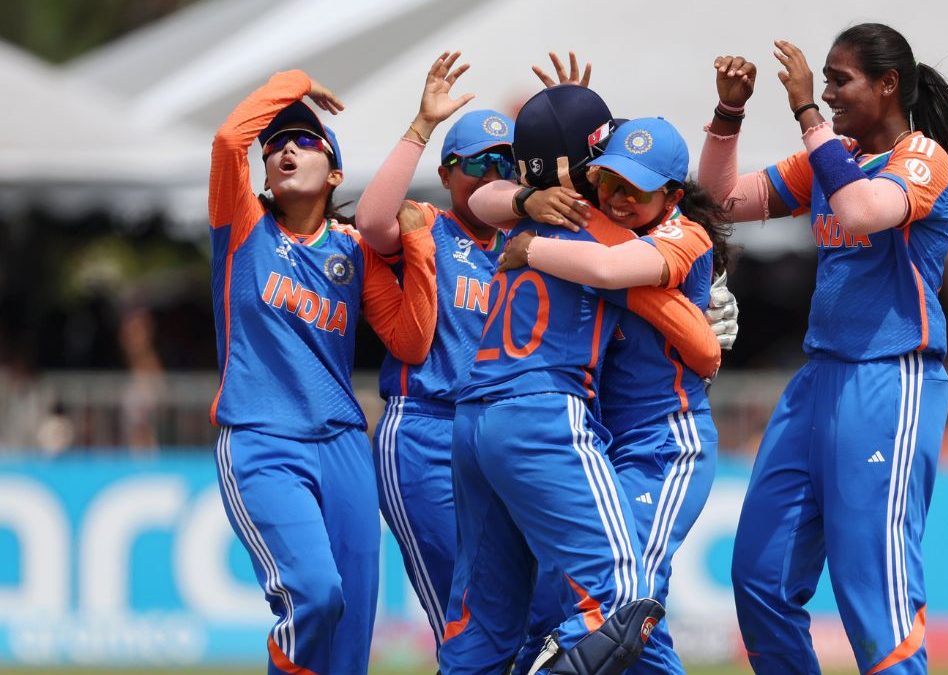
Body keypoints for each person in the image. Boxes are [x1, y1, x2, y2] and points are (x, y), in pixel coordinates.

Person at [698, 24, 948, 674]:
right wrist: (729, 113)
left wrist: (804, 114)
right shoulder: (832, 155)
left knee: (871, 586)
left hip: (890, 379)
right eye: (822, 82)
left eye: (838, 80)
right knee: (759, 577)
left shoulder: (923, 156)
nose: (826, 93)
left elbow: (858, 211)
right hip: (818, 380)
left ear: (887, 84)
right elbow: (718, 202)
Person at [438, 84, 722, 675]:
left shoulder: (655, 228)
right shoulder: (594, 222)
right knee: (620, 603)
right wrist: (530, 209)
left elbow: (490, 201)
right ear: (591, 167)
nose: (617, 196)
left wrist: (527, 232)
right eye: (610, 178)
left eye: (634, 187)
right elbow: (700, 346)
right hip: (555, 415)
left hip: (639, 439)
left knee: (511, 617)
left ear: (671, 193)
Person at [208, 69, 437, 675]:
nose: (286, 147)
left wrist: (416, 252)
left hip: (342, 445)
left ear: (335, 173)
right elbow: (231, 140)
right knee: (314, 594)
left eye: (306, 141)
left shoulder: (352, 249)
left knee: (354, 622)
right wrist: (296, 84)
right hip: (261, 438)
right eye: (277, 143)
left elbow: (411, 342)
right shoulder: (242, 227)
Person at [354, 51, 515, 650]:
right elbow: (371, 222)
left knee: (511, 608)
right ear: (447, 174)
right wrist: (421, 126)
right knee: (461, 613)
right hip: (424, 430)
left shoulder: (528, 247)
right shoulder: (428, 224)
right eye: (475, 161)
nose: (492, 172)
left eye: (505, 162)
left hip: (498, 436)